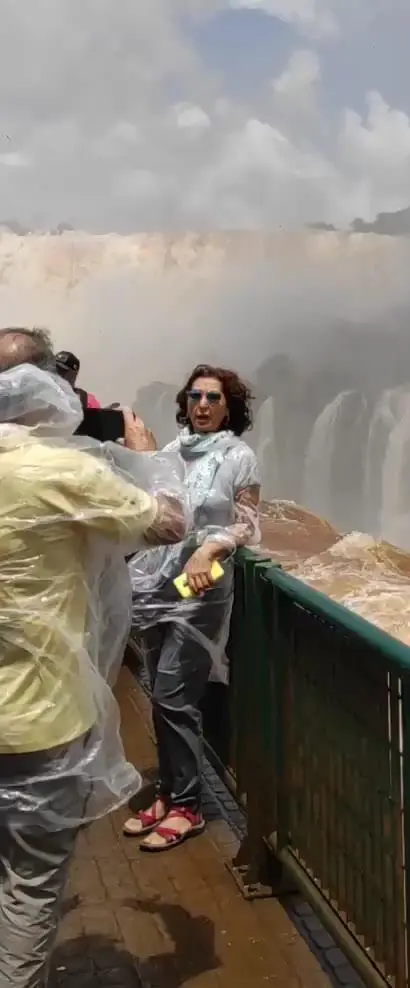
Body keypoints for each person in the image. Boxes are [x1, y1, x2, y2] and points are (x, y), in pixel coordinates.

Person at [0, 327, 187, 988]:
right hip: (42, 723)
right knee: (28, 889)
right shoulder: (63, 471)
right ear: (51, 387)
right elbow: (168, 525)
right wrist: (148, 460)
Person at [125, 364, 261, 851]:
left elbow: (247, 522)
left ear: (230, 408)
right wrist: (141, 458)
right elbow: (154, 511)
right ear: (184, 403)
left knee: (174, 695)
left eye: (214, 398)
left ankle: (188, 805)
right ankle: (167, 791)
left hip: (200, 589)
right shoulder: (167, 453)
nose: (203, 405)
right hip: (157, 582)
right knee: (159, 691)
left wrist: (211, 548)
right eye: (196, 396)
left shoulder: (239, 457)